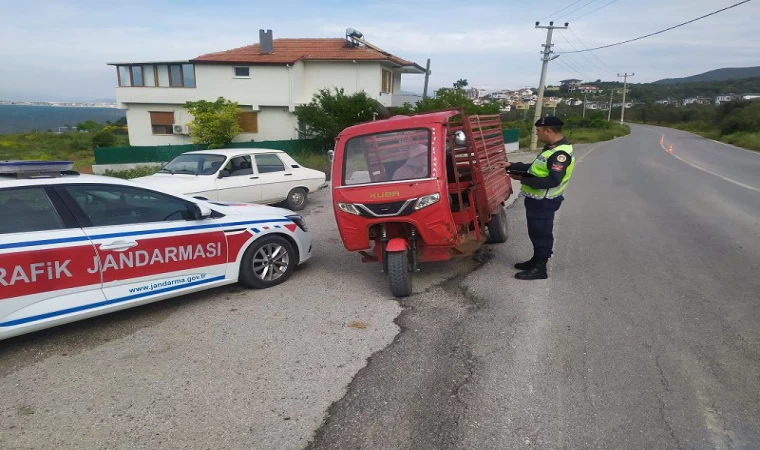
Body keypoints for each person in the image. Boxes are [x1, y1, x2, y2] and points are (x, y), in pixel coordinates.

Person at [504, 116, 575, 280]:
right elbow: (536, 168)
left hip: (544, 201)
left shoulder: (560, 154)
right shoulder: (551, 149)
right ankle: (535, 261)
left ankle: (540, 269)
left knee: (542, 234)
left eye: (538, 131)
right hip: (537, 200)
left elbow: (553, 179)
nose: (537, 134)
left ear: (548, 130)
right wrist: (512, 166)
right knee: (536, 232)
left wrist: (524, 179)